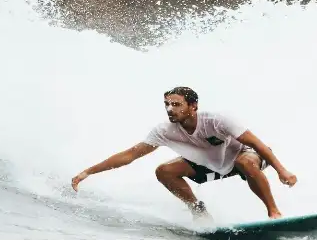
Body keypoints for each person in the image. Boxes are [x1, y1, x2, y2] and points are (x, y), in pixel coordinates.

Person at [71, 86, 297, 221]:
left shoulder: (218, 121)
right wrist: (87, 172)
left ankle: (273, 212)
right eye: (167, 104)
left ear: (193, 106)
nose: (170, 109)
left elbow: (260, 145)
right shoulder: (164, 130)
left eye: (177, 104)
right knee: (164, 171)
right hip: (212, 164)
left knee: (247, 162)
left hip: (244, 155)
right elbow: (130, 155)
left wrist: (282, 170)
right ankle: (198, 210)